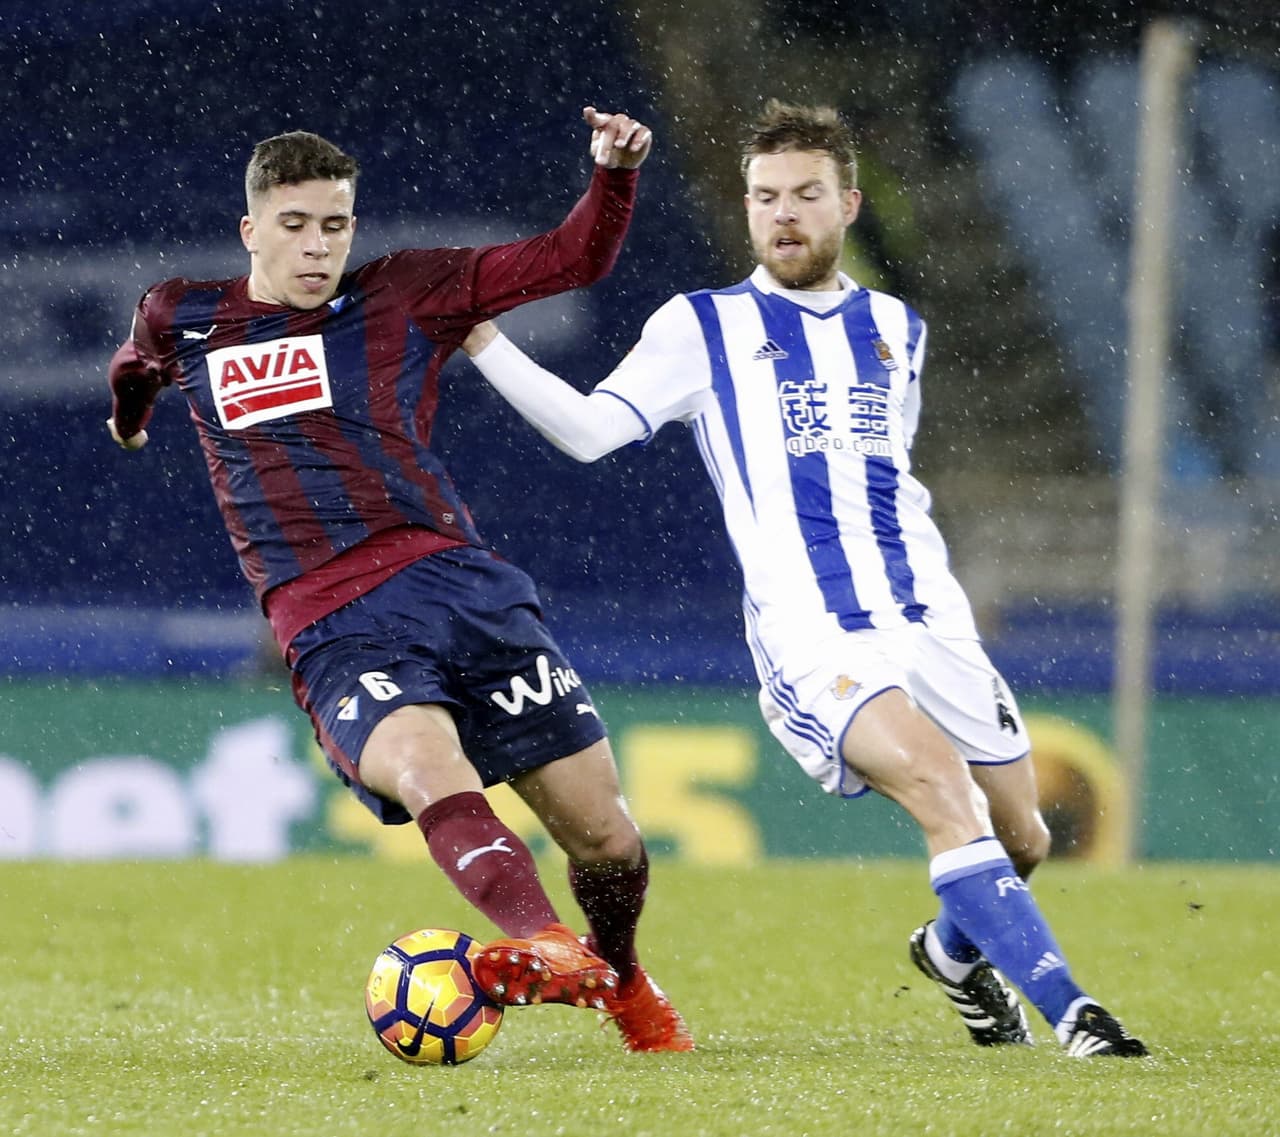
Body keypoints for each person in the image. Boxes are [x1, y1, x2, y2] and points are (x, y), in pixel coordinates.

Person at [458, 99, 1148, 1058]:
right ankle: (1078, 1015)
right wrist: (482, 338)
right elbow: (588, 430)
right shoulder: (701, 325)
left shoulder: (898, 330)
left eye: (806, 195)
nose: (784, 213)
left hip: (927, 617)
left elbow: (888, 478)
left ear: (849, 203)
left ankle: (952, 955)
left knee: (1021, 834)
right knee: (943, 792)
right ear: (745, 209)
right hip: (814, 630)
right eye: (765, 196)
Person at [105, 106, 693, 1053]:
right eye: (294, 226)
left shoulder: (408, 289)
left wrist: (612, 174)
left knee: (609, 840)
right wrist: (130, 420)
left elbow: (570, 259)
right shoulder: (183, 313)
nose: (318, 247)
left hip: (457, 583)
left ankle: (617, 973)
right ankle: (542, 940)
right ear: (251, 230)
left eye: (335, 224)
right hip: (329, 614)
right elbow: (136, 366)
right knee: (426, 768)